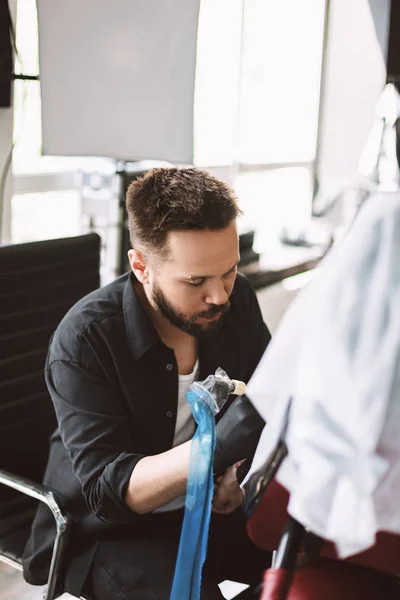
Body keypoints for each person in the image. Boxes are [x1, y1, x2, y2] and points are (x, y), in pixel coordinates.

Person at [23, 167, 272, 599]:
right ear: (141, 266)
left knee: (322, 556)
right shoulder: (85, 339)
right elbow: (110, 493)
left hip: (208, 505)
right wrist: (213, 452)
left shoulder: (237, 301)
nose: (220, 296)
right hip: (108, 530)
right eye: (196, 281)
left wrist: (241, 471)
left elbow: (266, 399)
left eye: (228, 271)